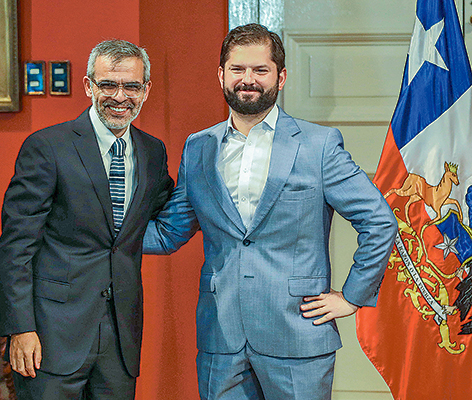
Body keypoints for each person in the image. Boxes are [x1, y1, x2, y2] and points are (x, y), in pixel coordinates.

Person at [143, 23, 397, 400]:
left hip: (298, 334)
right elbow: (169, 232)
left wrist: (353, 296)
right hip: (221, 337)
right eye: (237, 69)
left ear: (281, 77)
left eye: (260, 70)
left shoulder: (318, 145)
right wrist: (92, 232)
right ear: (221, 75)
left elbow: (378, 220)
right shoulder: (198, 147)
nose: (248, 80)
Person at [0, 39, 174, 399]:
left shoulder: (153, 152)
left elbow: (166, 208)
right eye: (108, 84)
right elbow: (15, 245)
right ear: (89, 85)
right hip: (50, 335)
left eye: (131, 86)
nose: (120, 96)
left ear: (146, 90)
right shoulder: (47, 146)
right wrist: (20, 329)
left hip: (120, 339)